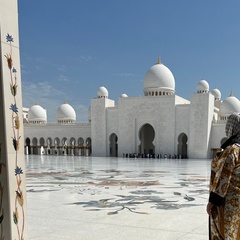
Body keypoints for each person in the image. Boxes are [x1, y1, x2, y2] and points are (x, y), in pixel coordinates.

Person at [207, 113, 240, 239]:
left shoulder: (232, 150)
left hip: (227, 203)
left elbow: (223, 178)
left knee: (225, 233)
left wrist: (212, 201)